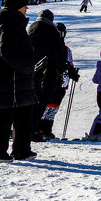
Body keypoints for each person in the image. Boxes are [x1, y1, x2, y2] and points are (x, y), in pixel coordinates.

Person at [0, 0, 38, 162]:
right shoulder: (10, 25)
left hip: (13, 80)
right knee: (3, 115)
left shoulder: (11, 24)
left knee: (23, 115)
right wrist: (27, 67)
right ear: (16, 7)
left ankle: (22, 150)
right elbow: (7, 52)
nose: (27, 9)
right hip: (10, 80)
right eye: (24, 6)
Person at [28, 9, 64, 143]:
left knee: (31, 98)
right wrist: (61, 68)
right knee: (42, 101)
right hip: (48, 71)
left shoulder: (31, 28)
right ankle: (34, 129)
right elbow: (57, 53)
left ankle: (28, 128)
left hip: (31, 69)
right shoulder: (52, 31)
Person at [39, 22, 80, 137]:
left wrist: (73, 74)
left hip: (61, 83)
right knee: (45, 106)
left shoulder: (66, 50)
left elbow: (68, 64)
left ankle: (47, 129)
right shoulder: (47, 46)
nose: (58, 35)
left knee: (54, 107)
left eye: (61, 33)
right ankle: (39, 128)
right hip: (49, 81)